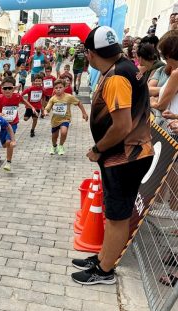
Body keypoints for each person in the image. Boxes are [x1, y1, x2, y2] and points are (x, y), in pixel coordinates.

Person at [71, 26, 154, 285]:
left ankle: (105, 271)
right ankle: (103, 257)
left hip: (126, 157)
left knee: (117, 216)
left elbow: (121, 126)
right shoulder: (123, 66)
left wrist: (98, 150)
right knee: (112, 213)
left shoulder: (117, 77)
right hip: (124, 156)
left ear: (91, 53)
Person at [0, 76, 37, 170]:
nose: (7, 90)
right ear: (1, 89)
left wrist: (32, 108)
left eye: (10, 88)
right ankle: (7, 148)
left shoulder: (17, 96)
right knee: (4, 144)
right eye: (5, 88)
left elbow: (25, 101)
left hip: (12, 124)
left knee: (8, 142)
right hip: (1, 124)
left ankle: (8, 162)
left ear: (13, 88)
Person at [44, 79, 88, 155]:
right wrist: (45, 112)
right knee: (54, 136)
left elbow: (79, 103)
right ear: (54, 89)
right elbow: (47, 108)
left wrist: (84, 113)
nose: (58, 89)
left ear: (64, 88)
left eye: (60, 87)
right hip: (55, 121)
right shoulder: (53, 98)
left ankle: (61, 146)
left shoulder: (69, 97)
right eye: (56, 88)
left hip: (65, 119)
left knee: (64, 132)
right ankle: (54, 146)